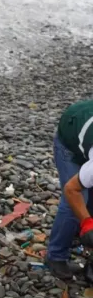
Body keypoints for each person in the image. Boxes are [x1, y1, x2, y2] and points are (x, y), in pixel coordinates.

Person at [45, 99, 93, 280]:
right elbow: (72, 190)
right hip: (71, 135)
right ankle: (56, 256)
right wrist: (87, 223)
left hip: (88, 132)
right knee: (75, 204)